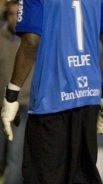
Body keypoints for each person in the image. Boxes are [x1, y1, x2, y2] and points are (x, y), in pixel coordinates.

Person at [1, 0, 103, 183]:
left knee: (43, 177)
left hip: (51, 100)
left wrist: (11, 94)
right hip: (88, 97)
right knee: (82, 176)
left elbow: (31, 43)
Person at [0, 1, 32, 183]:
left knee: (15, 158)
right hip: (1, 106)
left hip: (22, 107)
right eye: (11, 14)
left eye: (18, 13)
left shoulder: (32, 40)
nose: (15, 18)